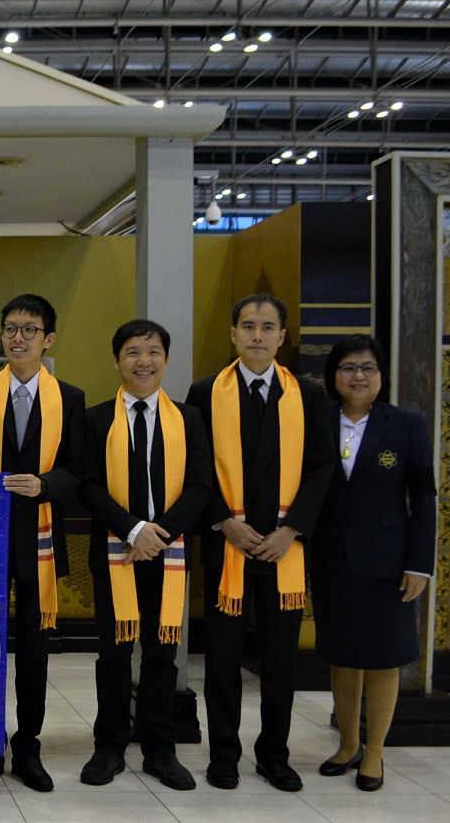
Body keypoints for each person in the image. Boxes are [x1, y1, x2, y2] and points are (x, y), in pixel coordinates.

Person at [186, 293, 334, 792]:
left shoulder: (307, 395)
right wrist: (223, 521)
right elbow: (195, 467)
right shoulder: (206, 392)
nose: (257, 335)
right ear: (233, 334)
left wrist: (290, 531)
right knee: (222, 659)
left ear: (282, 337)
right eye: (248, 326)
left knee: (279, 660)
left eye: (268, 327)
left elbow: (321, 468)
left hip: (284, 549)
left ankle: (274, 755)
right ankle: (224, 755)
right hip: (227, 544)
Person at [0, 294, 84, 792]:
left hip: (40, 541)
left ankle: (28, 746)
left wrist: (45, 484)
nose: (18, 338)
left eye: (30, 330)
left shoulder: (69, 398)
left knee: (33, 652)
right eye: (10, 328)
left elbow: (78, 469)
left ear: (48, 339)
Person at [78, 320, 210, 791]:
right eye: (133, 352)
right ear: (116, 360)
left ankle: (160, 749)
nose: (143, 361)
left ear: (166, 360)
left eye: (153, 352)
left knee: (162, 656)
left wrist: (159, 534)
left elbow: (201, 485)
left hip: (168, 554)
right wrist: (133, 529)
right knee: (112, 654)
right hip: (115, 552)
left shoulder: (189, 419)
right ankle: (109, 746)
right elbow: (87, 485)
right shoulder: (95, 419)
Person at [311, 335, 434, 792]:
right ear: (333, 376)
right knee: (343, 655)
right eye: (348, 367)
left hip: (388, 562)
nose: (358, 376)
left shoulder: (406, 425)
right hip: (331, 559)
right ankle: (347, 744)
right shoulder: (318, 421)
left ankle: (375, 751)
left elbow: (424, 498)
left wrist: (420, 564)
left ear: (381, 375)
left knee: (384, 658)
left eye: (368, 367)